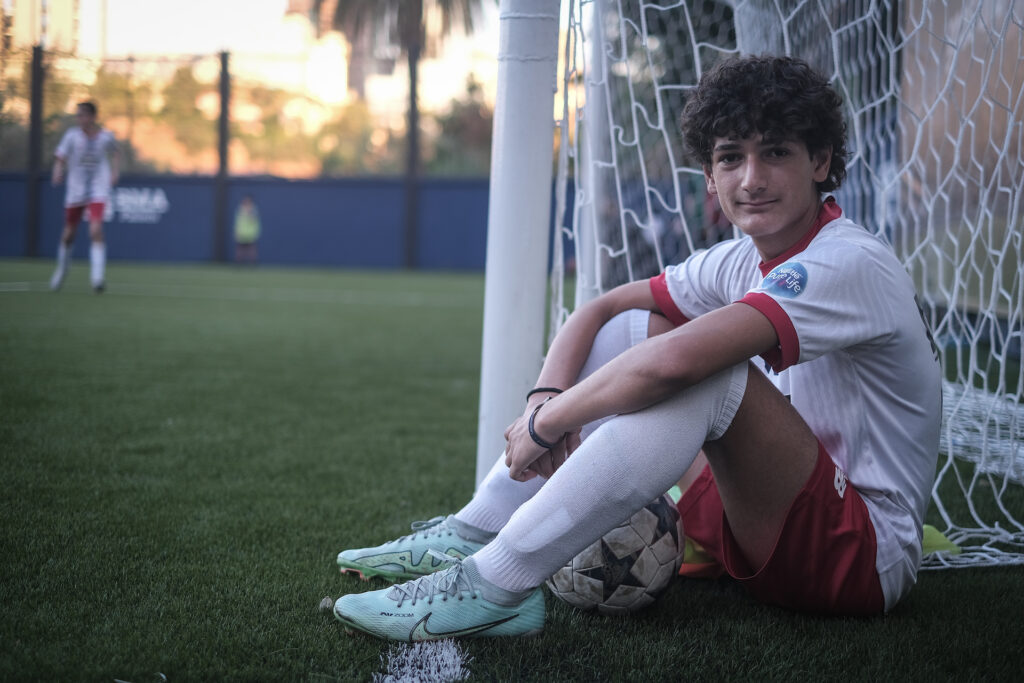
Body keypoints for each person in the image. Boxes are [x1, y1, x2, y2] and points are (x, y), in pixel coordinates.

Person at [331, 55, 942, 640]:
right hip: (760, 515)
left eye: (775, 153)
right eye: (731, 158)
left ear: (821, 161)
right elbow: (602, 311)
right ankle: (473, 530)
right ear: (710, 176)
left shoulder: (847, 262)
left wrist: (550, 422)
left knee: (710, 372)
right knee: (636, 326)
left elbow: (677, 363)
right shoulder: (738, 259)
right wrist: (544, 395)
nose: (751, 179)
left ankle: (496, 585)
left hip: (855, 557)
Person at [49, 100, 121, 293]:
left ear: (92, 117)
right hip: (76, 191)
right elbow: (60, 157)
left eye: (82, 115)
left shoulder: (106, 136)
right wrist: (57, 171)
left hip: (98, 189)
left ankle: (97, 278)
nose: (79, 118)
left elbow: (115, 152)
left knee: (95, 230)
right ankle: (62, 270)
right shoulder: (72, 136)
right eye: (78, 115)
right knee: (68, 234)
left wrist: (115, 172)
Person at [233, 195, 261, 264]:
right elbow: (238, 222)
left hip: (250, 233)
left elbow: (254, 220)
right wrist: (236, 232)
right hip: (241, 233)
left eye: (248, 201)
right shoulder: (240, 210)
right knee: (240, 249)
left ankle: (253, 263)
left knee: (251, 249)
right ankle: (238, 263)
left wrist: (249, 213)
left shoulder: (254, 210)